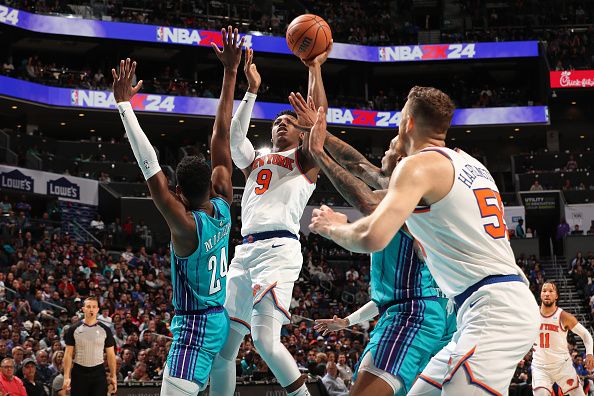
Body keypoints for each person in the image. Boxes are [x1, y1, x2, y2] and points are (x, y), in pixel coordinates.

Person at [309, 86, 540, 395]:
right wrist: (321, 140)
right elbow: (368, 174)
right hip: (483, 304)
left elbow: (371, 235)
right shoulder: (468, 164)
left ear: (409, 123)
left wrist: (330, 227)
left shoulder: (417, 167)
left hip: (492, 309)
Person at [290, 90, 454, 395]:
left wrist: (318, 152)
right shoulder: (429, 181)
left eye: (393, 143)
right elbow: (357, 165)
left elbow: (366, 201)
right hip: (434, 313)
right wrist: (318, 132)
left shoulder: (410, 190)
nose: (386, 149)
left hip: (414, 316)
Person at [111, 27, 237, 396]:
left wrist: (123, 105)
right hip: (219, 320)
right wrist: (230, 73)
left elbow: (150, 169)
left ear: (179, 193)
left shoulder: (186, 227)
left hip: (195, 329)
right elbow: (222, 135)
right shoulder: (225, 203)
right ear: (213, 185)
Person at [209, 35, 330, 396]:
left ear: (300, 133)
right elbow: (233, 140)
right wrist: (251, 91)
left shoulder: (304, 161)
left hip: (279, 249)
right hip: (244, 253)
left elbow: (318, 122)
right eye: (277, 121)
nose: (281, 123)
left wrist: (315, 69)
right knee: (223, 350)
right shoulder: (255, 162)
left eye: (289, 122)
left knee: (264, 339)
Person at [532, 282, 594, 396]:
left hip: (562, 366)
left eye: (551, 291)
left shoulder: (564, 316)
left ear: (556, 296)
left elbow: (585, 335)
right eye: (544, 291)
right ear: (540, 294)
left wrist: (589, 353)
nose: (547, 294)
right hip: (540, 367)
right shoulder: (531, 314)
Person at [63, 297, 117, 396]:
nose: (91, 309)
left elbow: (111, 355)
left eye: (94, 307)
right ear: (83, 309)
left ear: (97, 309)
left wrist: (113, 376)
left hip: (98, 372)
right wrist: (66, 377)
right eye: (88, 306)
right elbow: (68, 354)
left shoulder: (105, 330)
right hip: (79, 372)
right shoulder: (73, 329)